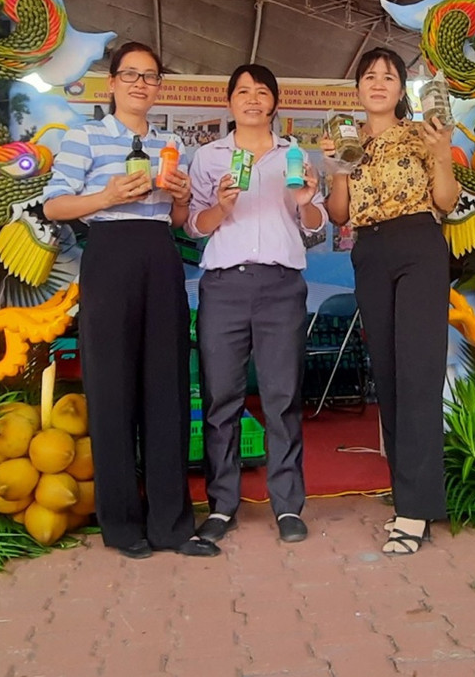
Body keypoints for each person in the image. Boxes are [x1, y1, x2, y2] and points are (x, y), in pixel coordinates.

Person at [42, 42, 219, 560]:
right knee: (112, 386)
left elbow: (182, 221)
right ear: (112, 83)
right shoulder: (86, 136)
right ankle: (121, 524)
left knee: (167, 386)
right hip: (110, 253)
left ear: (159, 86)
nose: (142, 84)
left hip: (160, 253)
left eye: (151, 76)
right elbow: (54, 204)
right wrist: (106, 197)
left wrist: (183, 195)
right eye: (131, 75)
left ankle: (172, 524)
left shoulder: (171, 145)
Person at [322, 47, 458, 555]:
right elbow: (338, 215)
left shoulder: (422, 133)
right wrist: (337, 169)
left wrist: (442, 153)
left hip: (418, 246)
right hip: (370, 251)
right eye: (369, 75)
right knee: (389, 374)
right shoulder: (345, 141)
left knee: (419, 372)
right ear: (357, 87)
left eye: (389, 76)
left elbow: (444, 201)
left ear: (402, 89)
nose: (378, 83)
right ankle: (409, 495)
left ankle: (416, 510)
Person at [187, 65, 327, 545]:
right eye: (242, 91)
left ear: (274, 102)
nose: (251, 99)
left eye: (261, 91)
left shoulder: (294, 156)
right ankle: (222, 506)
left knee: (282, 397)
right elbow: (193, 226)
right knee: (220, 398)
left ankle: (287, 505)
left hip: (281, 285)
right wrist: (222, 208)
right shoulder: (208, 157)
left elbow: (315, 227)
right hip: (224, 285)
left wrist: (307, 200)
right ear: (229, 102)